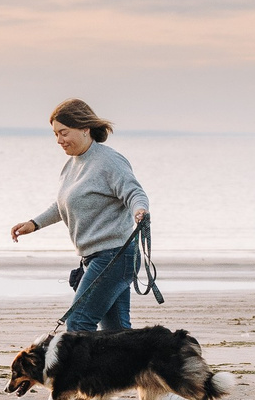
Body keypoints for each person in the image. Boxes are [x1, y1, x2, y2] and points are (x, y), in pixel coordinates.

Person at [9, 98, 152, 333]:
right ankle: (132, 360)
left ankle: (84, 363)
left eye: (64, 132)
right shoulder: (71, 165)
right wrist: (34, 224)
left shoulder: (109, 161)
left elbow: (134, 192)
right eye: (56, 134)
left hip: (114, 256)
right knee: (116, 332)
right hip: (97, 257)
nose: (59, 140)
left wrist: (140, 211)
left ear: (85, 128)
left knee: (78, 323)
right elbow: (64, 204)